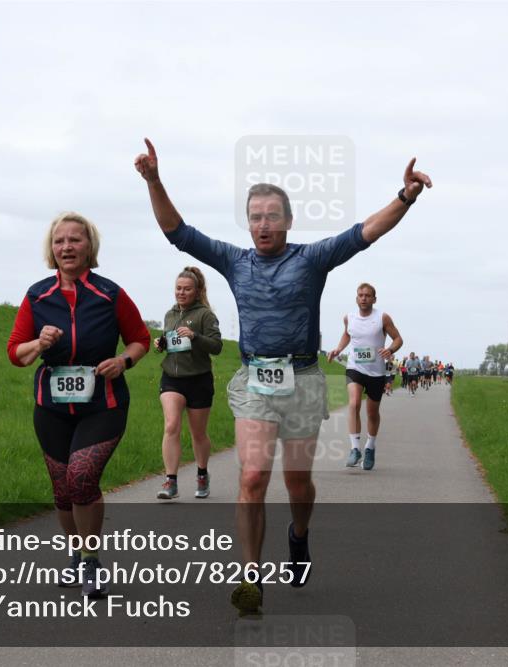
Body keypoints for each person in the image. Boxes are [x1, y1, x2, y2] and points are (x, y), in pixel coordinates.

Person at [134, 138, 431, 615]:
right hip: (255, 381)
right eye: (255, 216)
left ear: (288, 222)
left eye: (273, 215)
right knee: (252, 477)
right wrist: (153, 180)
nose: (263, 224)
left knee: (297, 483)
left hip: (303, 380)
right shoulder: (234, 261)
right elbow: (178, 232)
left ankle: (299, 535)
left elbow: (365, 232)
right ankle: (251, 579)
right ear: (248, 222)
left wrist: (405, 196)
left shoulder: (310, 259)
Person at [7, 212, 150, 599]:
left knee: (82, 477)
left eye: (75, 240)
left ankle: (90, 560)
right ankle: (76, 554)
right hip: (51, 408)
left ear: (90, 247)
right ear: (51, 250)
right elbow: (15, 354)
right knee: (63, 491)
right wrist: (39, 344)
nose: (67, 247)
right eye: (59, 242)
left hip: (103, 404)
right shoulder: (38, 295)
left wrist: (123, 361)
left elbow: (140, 338)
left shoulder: (110, 293)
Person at [154, 266, 223, 500]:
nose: (181, 293)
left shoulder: (205, 315)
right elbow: (171, 343)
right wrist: (161, 344)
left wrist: (195, 337)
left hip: (198, 380)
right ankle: (170, 481)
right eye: (178, 288)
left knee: (198, 434)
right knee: (171, 425)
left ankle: (202, 474)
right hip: (171, 378)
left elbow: (217, 346)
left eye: (186, 289)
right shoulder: (169, 314)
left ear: (197, 291)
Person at [327, 283, 402, 471]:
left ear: (374, 299)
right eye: (360, 295)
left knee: (372, 413)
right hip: (355, 368)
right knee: (353, 404)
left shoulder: (382, 318)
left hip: (376, 372)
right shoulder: (349, 318)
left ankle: (370, 447)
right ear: (356, 298)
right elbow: (347, 335)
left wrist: (390, 349)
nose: (363, 298)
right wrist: (338, 349)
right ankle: (354, 448)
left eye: (367, 295)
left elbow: (398, 339)